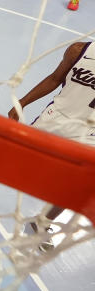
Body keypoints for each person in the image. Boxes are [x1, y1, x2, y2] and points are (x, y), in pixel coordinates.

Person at [8, 41, 95, 245]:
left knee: (81, 185)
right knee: (14, 158)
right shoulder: (79, 50)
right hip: (55, 119)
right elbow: (55, 78)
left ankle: (43, 222)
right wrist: (22, 102)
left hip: (89, 133)